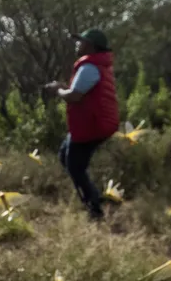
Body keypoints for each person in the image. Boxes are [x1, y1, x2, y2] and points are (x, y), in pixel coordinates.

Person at [45, 28, 120, 220]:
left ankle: (94, 209)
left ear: (91, 46)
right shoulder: (96, 66)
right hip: (91, 123)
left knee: (75, 167)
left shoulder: (89, 67)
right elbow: (80, 91)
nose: (78, 44)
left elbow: (75, 96)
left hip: (92, 126)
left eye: (81, 41)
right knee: (65, 156)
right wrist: (64, 88)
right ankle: (93, 196)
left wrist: (57, 91)